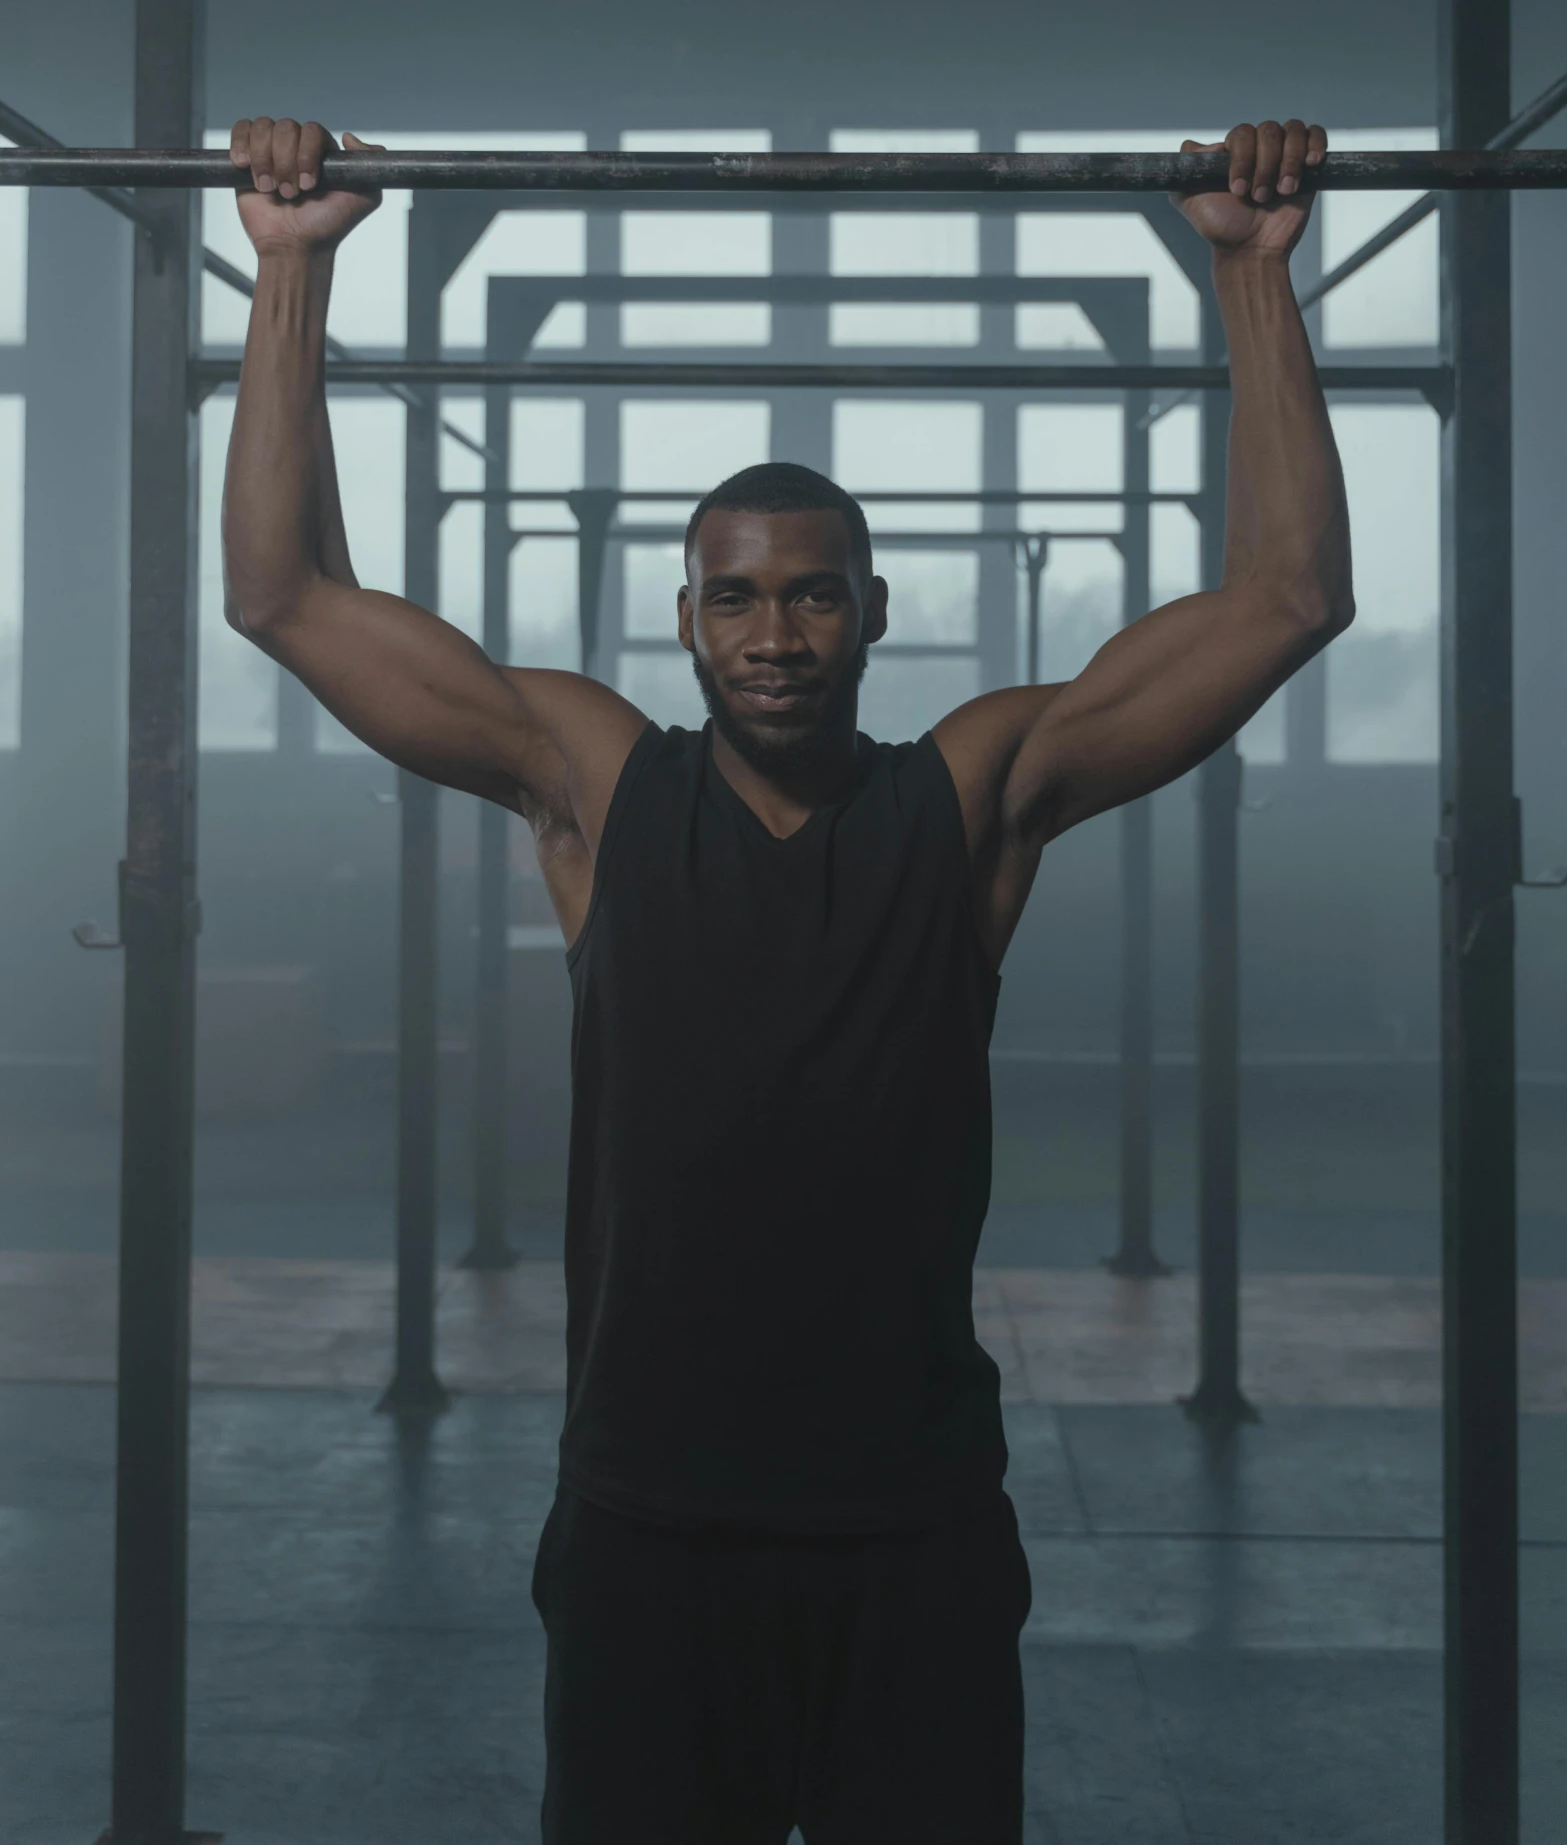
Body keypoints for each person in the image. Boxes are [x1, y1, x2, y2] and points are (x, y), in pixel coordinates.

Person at [221, 114, 1352, 1845]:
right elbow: (286, 596)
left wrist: (1248, 281)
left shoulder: (969, 798)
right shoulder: (595, 785)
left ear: (873, 609)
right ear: (684, 618)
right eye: (737, 600)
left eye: (813, 598)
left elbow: (1284, 596)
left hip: (908, 1535)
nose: (774, 635)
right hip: (646, 1527)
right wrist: (291, 268)